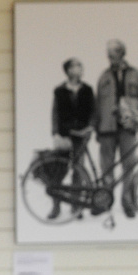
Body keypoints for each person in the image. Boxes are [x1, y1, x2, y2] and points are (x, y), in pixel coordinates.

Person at [93, 39, 138, 218]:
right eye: (108, 53)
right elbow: (97, 105)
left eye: (113, 53)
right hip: (106, 130)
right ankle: (104, 202)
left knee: (129, 166)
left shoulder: (136, 75)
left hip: (128, 129)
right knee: (106, 168)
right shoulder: (103, 76)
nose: (109, 57)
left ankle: (128, 202)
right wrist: (97, 129)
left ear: (122, 53)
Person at [47, 57, 96, 220]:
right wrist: (55, 134)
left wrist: (90, 127)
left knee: (78, 172)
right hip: (64, 136)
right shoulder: (59, 90)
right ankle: (56, 207)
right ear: (68, 70)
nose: (81, 69)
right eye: (77, 67)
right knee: (58, 172)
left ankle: (76, 207)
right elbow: (55, 114)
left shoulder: (87, 89)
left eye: (81, 66)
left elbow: (93, 112)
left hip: (80, 136)